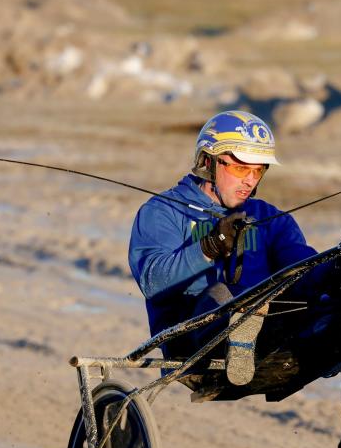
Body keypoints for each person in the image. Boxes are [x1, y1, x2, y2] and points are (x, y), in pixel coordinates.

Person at [128, 111, 319, 386]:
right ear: (208, 162)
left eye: (258, 170)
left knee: (323, 292)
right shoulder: (162, 212)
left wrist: (339, 269)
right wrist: (208, 247)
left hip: (270, 330)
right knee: (221, 294)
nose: (250, 180)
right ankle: (241, 328)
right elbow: (153, 283)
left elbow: (300, 264)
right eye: (240, 168)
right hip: (190, 344)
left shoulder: (270, 217)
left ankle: (290, 335)